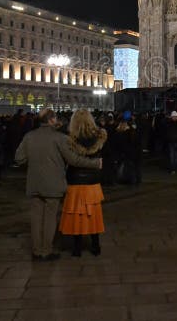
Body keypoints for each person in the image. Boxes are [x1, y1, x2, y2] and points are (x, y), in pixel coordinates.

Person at [15, 108, 102, 261]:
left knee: (36, 218)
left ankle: (36, 251)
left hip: (34, 183)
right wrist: (95, 163)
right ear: (51, 120)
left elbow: (19, 158)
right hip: (53, 185)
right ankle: (46, 250)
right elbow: (74, 160)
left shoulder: (29, 136)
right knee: (50, 217)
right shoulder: (59, 138)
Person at [59, 109, 108, 257]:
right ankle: (95, 246)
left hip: (75, 179)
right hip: (93, 181)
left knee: (76, 214)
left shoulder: (70, 139)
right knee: (93, 214)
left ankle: (77, 248)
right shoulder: (99, 136)